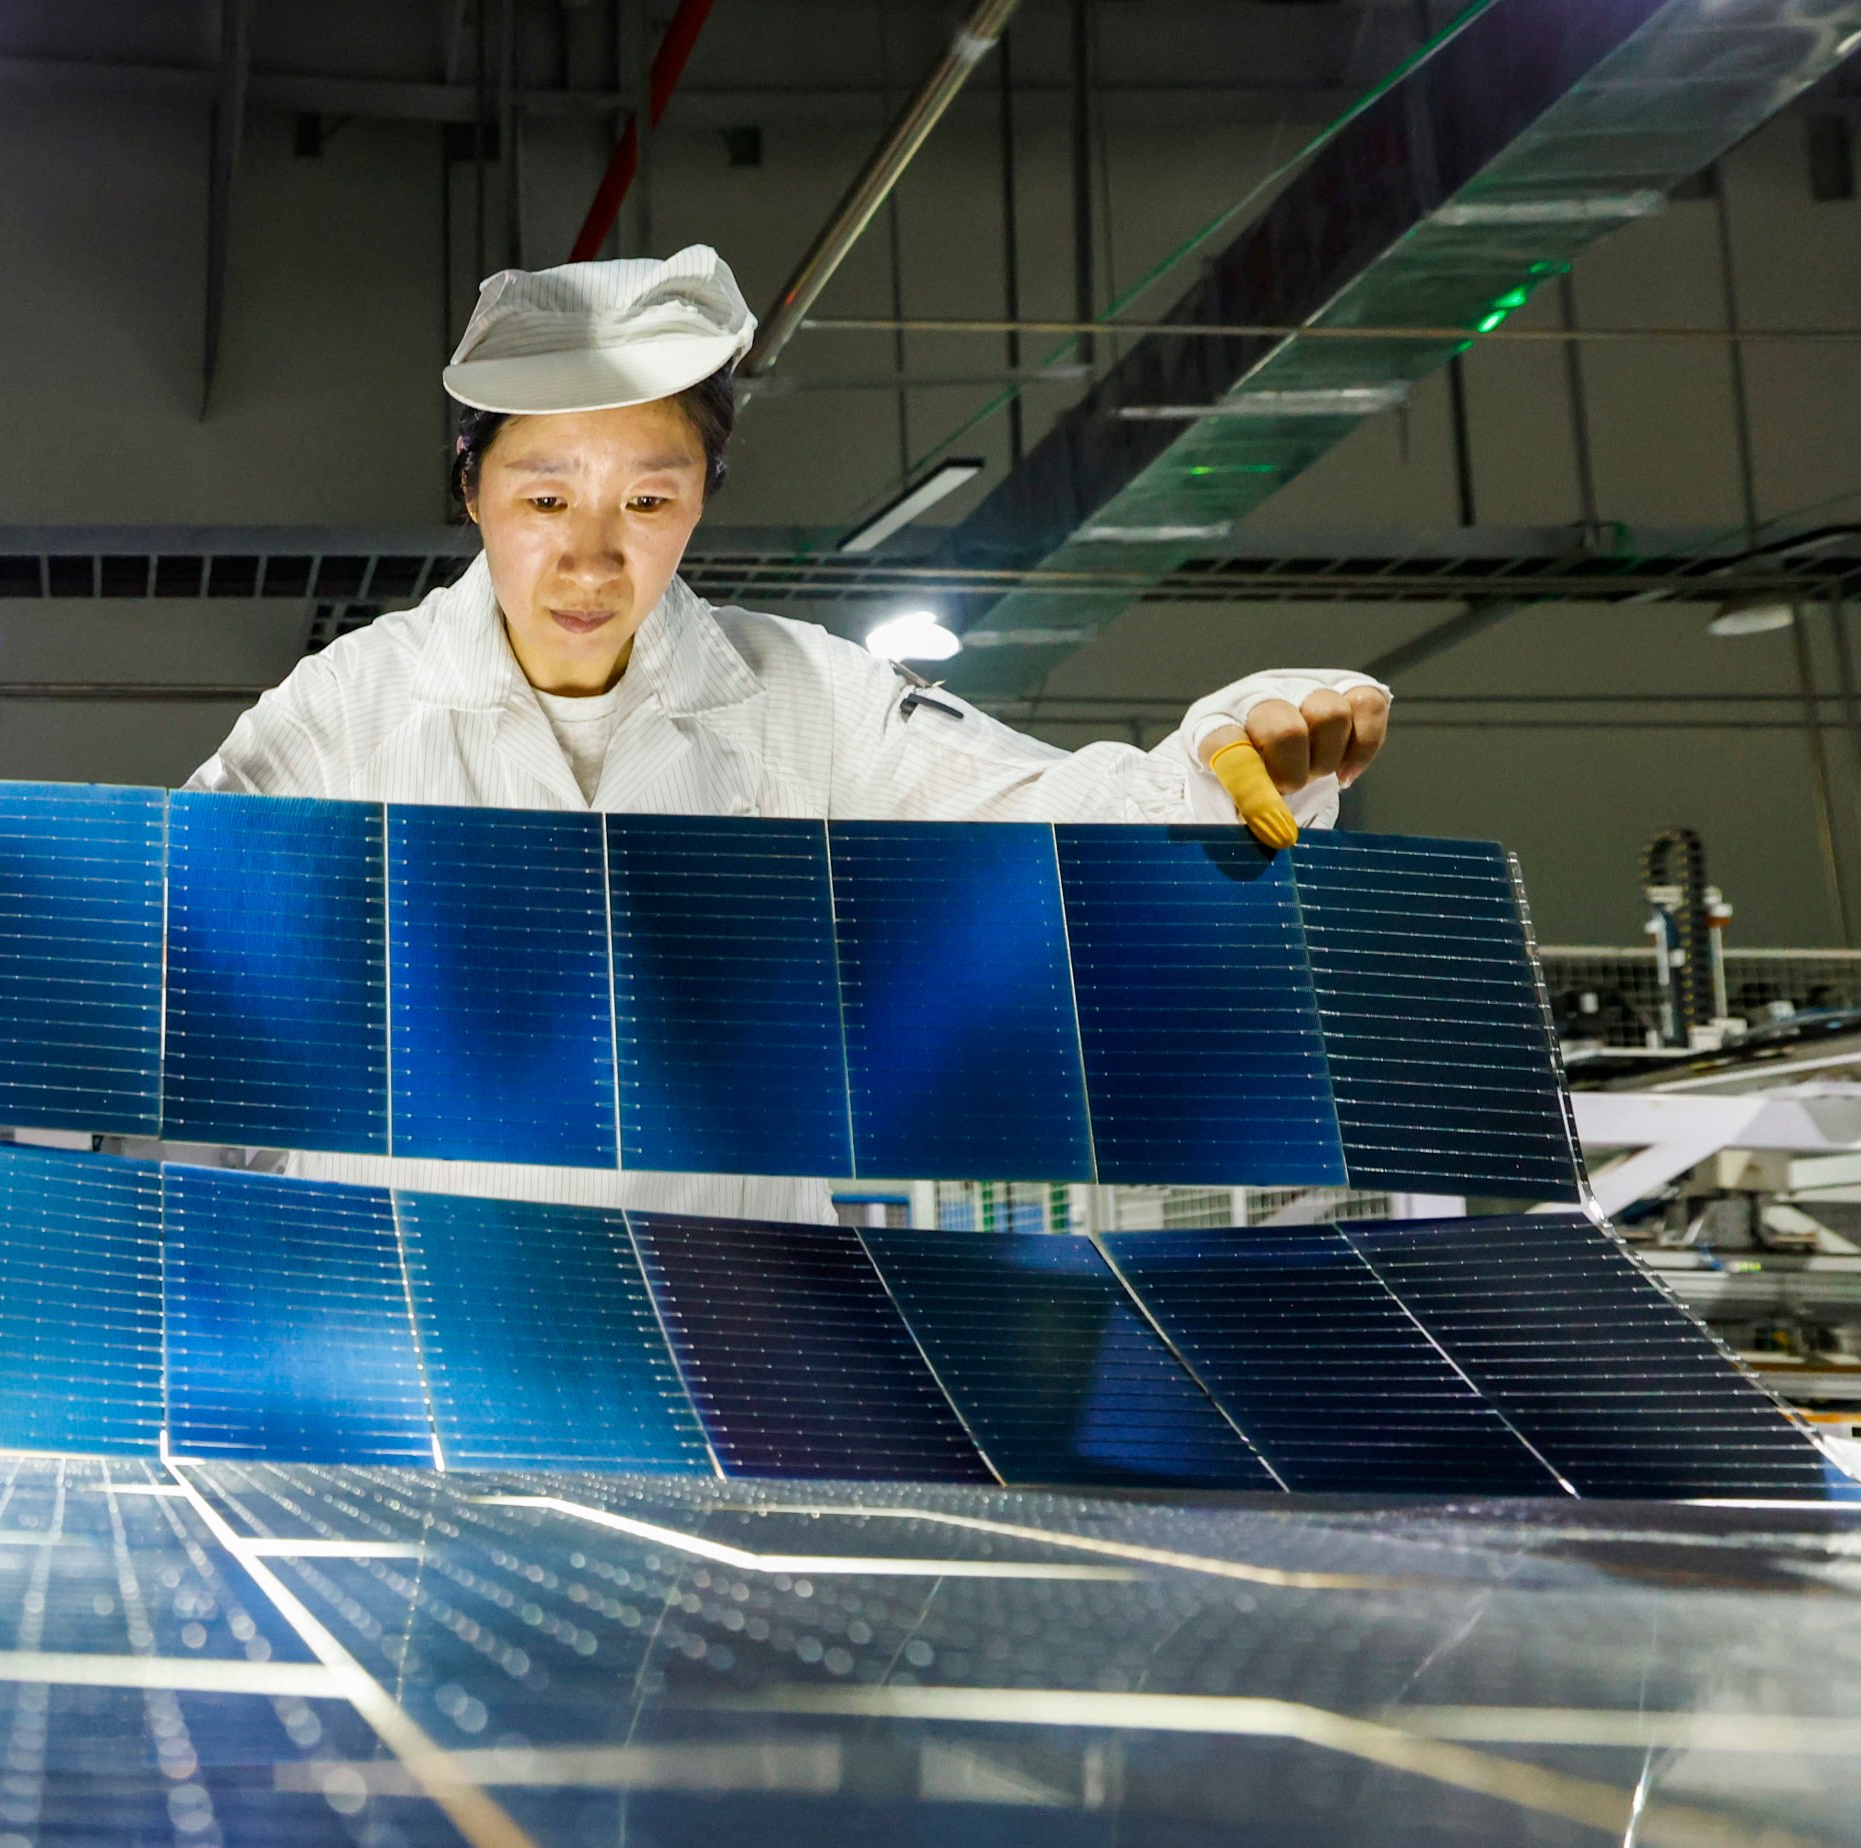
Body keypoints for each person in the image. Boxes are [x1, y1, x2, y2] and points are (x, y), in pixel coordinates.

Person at [191, 246, 1396, 1218]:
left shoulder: (804, 702)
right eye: (544, 496)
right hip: (408, 1348)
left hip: (725, 1355)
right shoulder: (346, 709)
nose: (592, 555)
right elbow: (169, 974)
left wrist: (1217, 760)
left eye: (648, 500)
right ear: (471, 487)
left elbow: (1053, 816)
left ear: (702, 494)